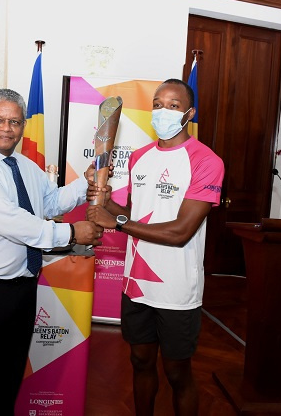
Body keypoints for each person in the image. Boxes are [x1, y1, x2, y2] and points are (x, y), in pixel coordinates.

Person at [0, 88, 103, 415]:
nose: (6, 128)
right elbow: (14, 223)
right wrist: (72, 232)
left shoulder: (27, 167)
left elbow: (50, 203)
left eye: (14, 121)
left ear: (23, 125)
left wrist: (85, 183)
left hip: (22, 289)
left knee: (10, 372)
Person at [86, 79, 224, 416]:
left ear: (189, 113)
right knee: (139, 360)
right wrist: (106, 201)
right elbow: (134, 215)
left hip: (176, 288)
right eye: (158, 104)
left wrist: (115, 221)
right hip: (136, 283)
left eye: (174, 106)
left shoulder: (207, 161)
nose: (163, 111)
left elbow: (180, 232)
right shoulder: (139, 158)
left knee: (178, 373)